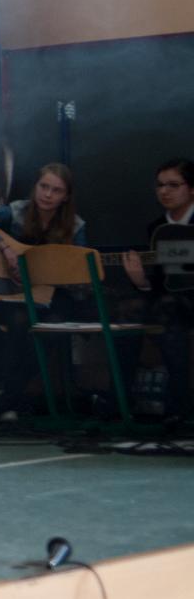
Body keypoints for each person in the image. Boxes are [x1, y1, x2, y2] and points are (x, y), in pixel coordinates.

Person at [0, 162, 86, 425]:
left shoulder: (75, 227)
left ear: (66, 196)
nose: (48, 195)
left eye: (56, 190)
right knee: (19, 320)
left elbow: (81, 276)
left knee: (50, 328)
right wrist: (5, 249)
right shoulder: (17, 211)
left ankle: (5, 397)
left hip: (55, 297)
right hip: (16, 294)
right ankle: (9, 399)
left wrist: (60, 275)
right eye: (43, 186)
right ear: (35, 187)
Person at [121, 159, 194, 423]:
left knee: (167, 309)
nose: (164, 191)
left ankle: (179, 406)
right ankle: (120, 400)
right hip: (171, 302)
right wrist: (141, 281)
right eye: (160, 185)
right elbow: (165, 282)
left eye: (173, 185)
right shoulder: (156, 228)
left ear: (192, 189)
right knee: (127, 312)